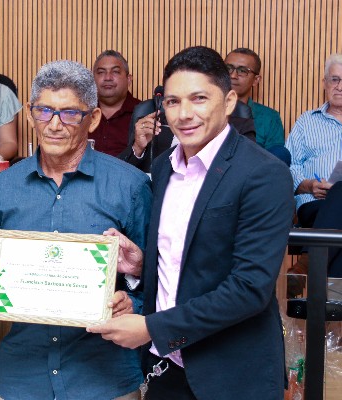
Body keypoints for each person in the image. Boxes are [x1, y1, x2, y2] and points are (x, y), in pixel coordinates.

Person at [88, 46, 294, 400]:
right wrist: (141, 266)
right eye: (172, 102)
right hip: (168, 367)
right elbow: (187, 262)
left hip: (231, 375)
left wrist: (152, 328)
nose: (184, 114)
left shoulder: (263, 174)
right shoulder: (164, 167)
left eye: (199, 99)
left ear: (229, 102)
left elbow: (249, 288)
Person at [0, 60, 152, 399]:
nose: (54, 124)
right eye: (44, 111)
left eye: (70, 113)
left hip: (102, 379)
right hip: (22, 378)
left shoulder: (130, 185)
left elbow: (158, 278)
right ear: (30, 113)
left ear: (93, 118)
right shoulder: (5, 185)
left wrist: (133, 302)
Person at [286, 53, 342, 277]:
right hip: (314, 205)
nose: (340, 87)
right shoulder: (307, 121)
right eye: (335, 79)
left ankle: (306, 264)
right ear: (325, 83)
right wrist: (308, 185)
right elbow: (289, 165)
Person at [224, 47, 290, 165]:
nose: (233, 75)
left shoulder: (269, 117)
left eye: (242, 71)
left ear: (256, 80)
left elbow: (275, 163)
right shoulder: (207, 110)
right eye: (228, 68)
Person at [89, 50, 141, 157]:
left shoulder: (144, 113)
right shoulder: (82, 113)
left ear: (129, 80)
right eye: (101, 72)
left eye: (115, 72)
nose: (108, 78)